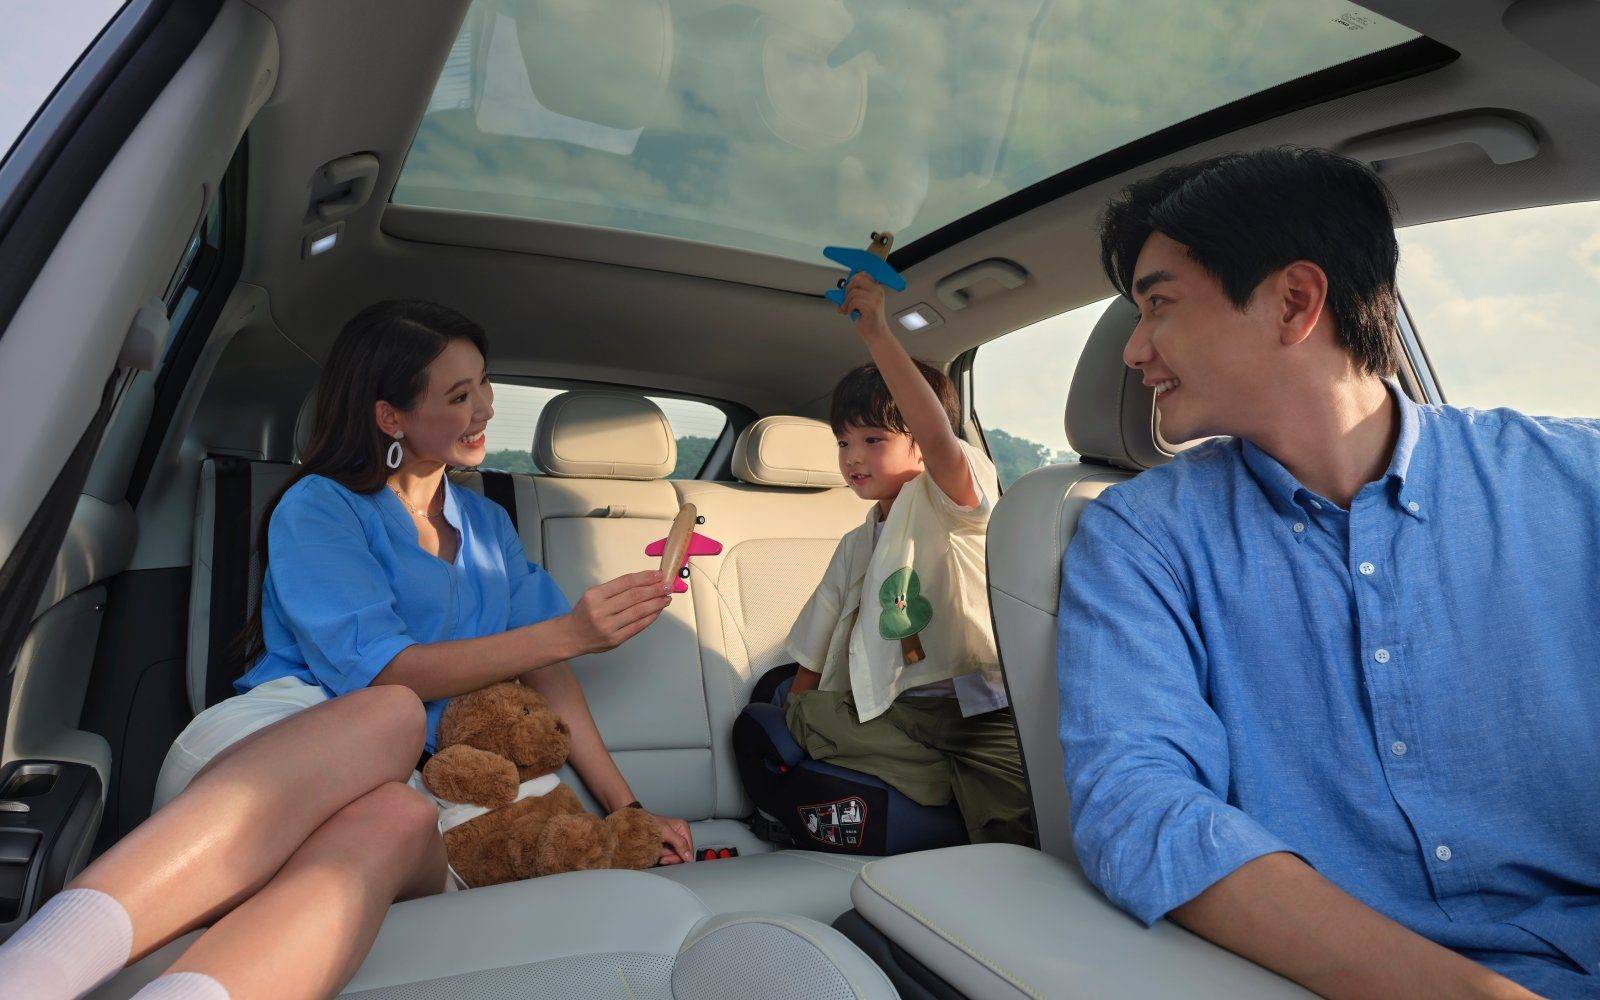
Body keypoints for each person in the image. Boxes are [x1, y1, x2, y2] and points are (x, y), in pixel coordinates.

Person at [0, 300, 690, 1000]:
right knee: (391, 711)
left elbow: (546, 668)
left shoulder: (487, 524)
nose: (485, 408)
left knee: (402, 816)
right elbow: (387, 672)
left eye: (484, 382)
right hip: (281, 752)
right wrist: (568, 630)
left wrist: (626, 808)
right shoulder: (320, 506)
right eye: (459, 395)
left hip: (412, 789)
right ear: (391, 417)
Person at [1060, 147, 1599, 998]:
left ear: (1294, 303)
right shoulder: (1140, 541)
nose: (1134, 351)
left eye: (1158, 304)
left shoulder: (1578, 480)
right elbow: (1139, 804)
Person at [782, 274, 1033, 847]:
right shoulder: (856, 542)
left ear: (920, 443)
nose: (853, 457)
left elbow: (940, 439)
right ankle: (942, 779)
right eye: (844, 443)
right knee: (804, 713)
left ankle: (947, 782)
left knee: (1017, 820)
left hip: (980, 710)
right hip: (898, 710)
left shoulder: (951, 502)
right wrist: (797, 711)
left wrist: (876, 333)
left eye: (874, 440)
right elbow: (818, 636)